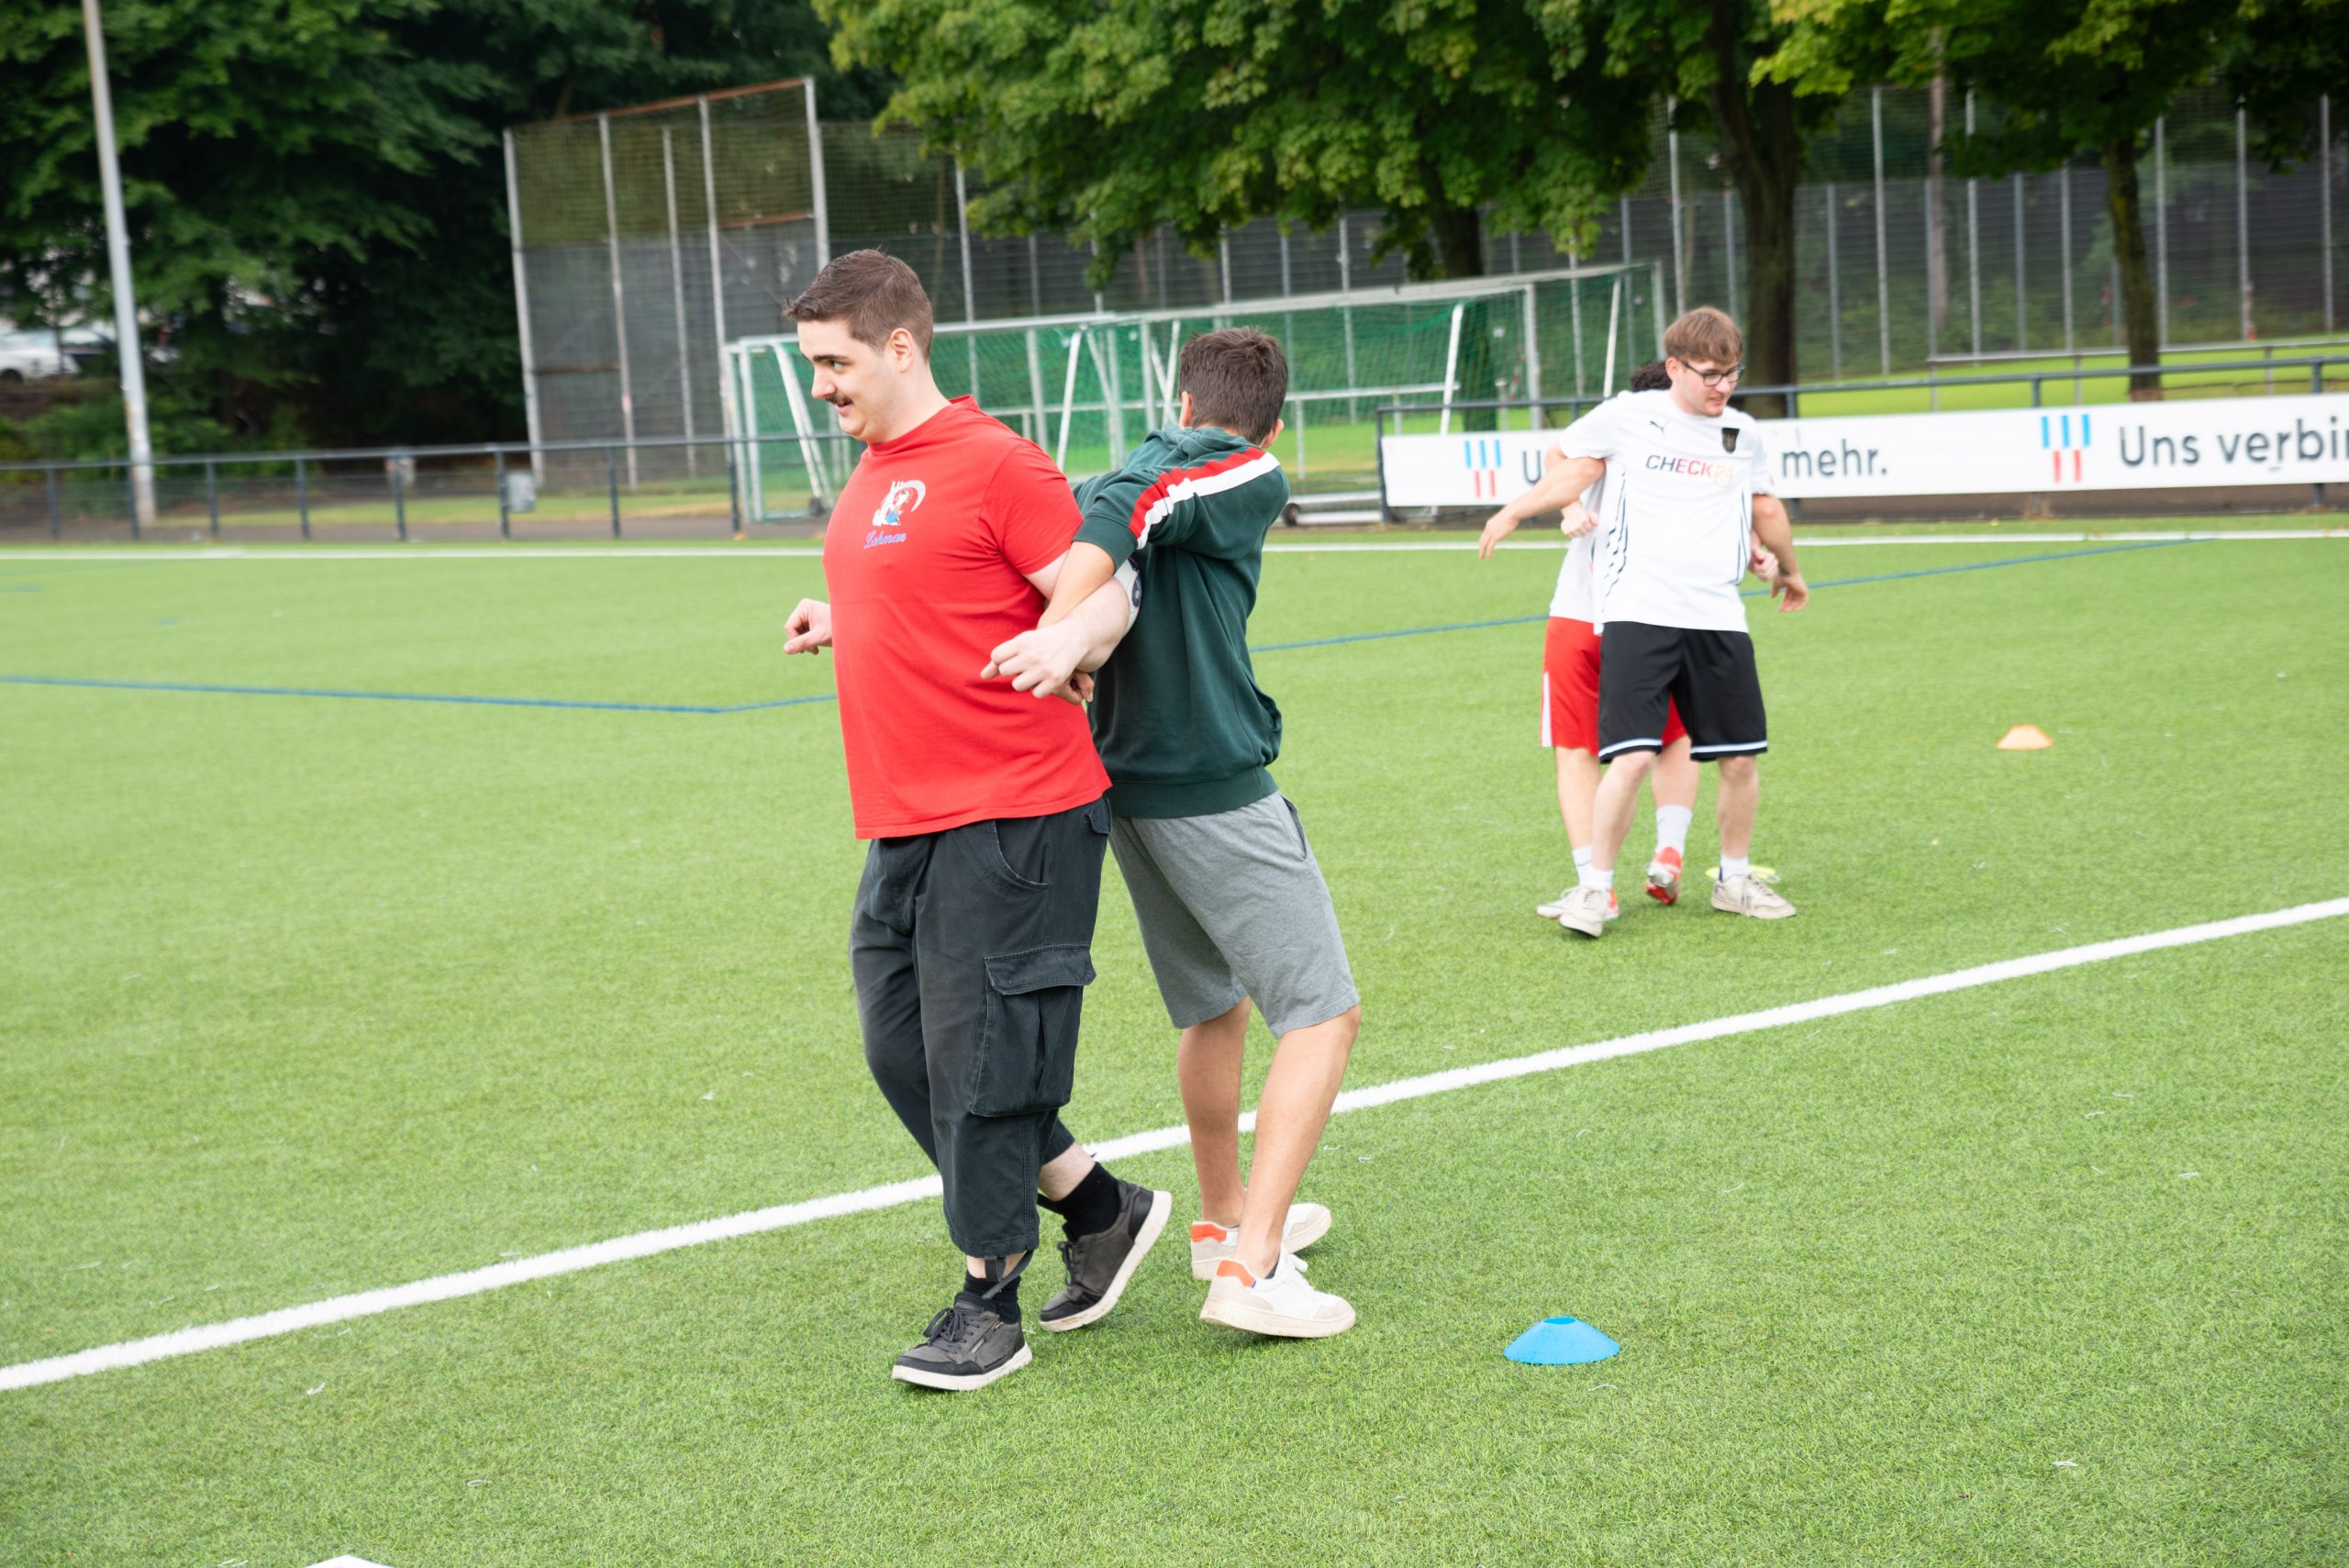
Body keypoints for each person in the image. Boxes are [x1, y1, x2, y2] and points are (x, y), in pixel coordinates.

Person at [777, 250, 1169, 1391]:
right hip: (904, 814)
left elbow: (1107, 586)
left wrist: (1071, 637)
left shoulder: (998, 461)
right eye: (814, 365)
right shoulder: (876, 467)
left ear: (899, 346)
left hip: (1015, 808)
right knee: (902, 1049)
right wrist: (846, 614)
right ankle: (1098, 1207)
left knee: (980, 1059)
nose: (821, 386)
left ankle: (987, 1296)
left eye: (834, 363)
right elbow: (938, 587)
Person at [985, 328, 1362, 1339]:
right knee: (1323, 1015)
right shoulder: (1247, 470)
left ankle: (1220, 1217)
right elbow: (1135, 502)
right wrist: (1062, 632)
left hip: (1131, 792)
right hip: (1210, 788)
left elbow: (1108, 511)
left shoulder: (1144, 464)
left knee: (1214, 1006)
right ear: (1270, 426)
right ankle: (1251, 1264)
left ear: (1181, 401)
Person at [1482, 308, 1808, 937]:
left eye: (1732, 374)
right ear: (1675, 367)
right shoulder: (1629, 415)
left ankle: (1734, 879)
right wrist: (1516, 511)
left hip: (1718, 615)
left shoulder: (1742, 433)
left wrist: (1787, 569)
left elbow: (1764, 508)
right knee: (1630, 757)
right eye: (1710, 374)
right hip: (1637, 611)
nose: (1722, 386)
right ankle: (1594, 890)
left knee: (1739, 758)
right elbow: (1574, 464)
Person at [1478, 360, 1706, 924]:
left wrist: (1539, 508)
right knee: (1674, 735)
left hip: (1583, 613)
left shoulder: (1614, 435)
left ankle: (1593, 884)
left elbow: (1568, 459)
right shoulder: (1705, 450)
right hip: (1664, 615)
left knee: (1577, 751)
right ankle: (1668, 851)